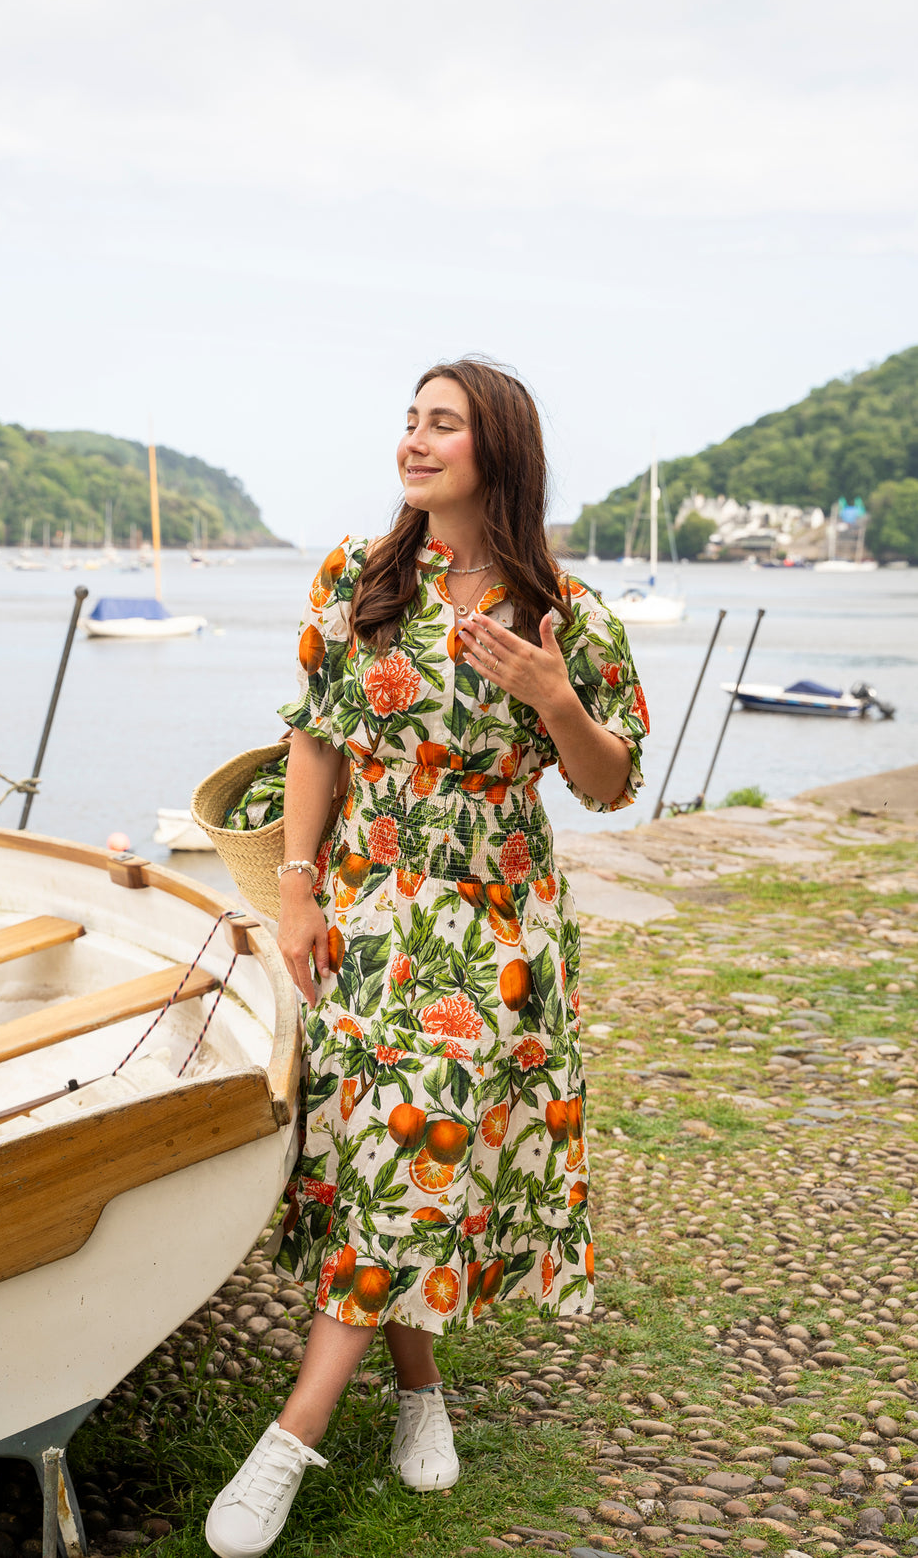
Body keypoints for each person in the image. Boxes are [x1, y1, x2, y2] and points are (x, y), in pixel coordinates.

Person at [205, 358, 648, 1558]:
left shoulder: (564, 608)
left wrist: (555, 697)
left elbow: (608, 783)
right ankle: (417, 1393)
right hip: (362, 904)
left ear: (493, 450)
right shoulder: (359, 577)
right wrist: (294, 886)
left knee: (415, 1139)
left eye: (439, 424)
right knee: (377, 1148)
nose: (412, 440)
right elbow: (314, 740)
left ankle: (288, 1441)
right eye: (408, 420)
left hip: (492, 921)